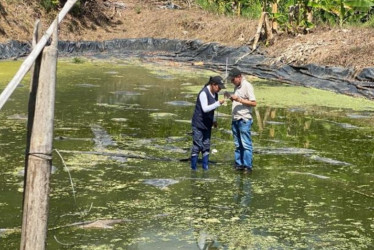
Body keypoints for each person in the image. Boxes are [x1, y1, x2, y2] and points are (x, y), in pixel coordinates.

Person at [190, 76, 226, 170]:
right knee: (197, 146)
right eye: (219, 87)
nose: (220, 89)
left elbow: (212, 109)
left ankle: (205, 167)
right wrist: (218, 103)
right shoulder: (203, 93)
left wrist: (213, 120)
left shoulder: (215, 94)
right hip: (199, 123)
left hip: (208, 124)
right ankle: (193, 168)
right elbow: (205, 109)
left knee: (206, 146)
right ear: (213, 84)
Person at [226, 68, 257, 172]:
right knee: (237, 144)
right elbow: (237, 100)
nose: (232, 81)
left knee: (246, 144)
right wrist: (231, 98)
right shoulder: (236, 86)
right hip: (235, 118)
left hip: (244, 119)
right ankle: (239, 164)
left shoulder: (247, 86)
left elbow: (254, 103)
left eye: (233, 79)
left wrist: (239, 99)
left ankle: (248, 166)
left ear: (239, 77)